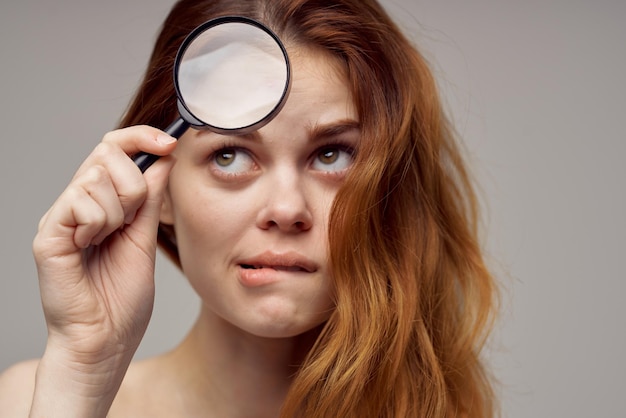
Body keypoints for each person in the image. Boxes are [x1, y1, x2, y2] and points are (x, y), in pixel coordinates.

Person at [0, 0, 499, 416]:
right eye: (230, 155)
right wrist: (86, 367)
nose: (285, 209)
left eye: (332, 155)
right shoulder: (36, 401)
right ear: (157, 188)